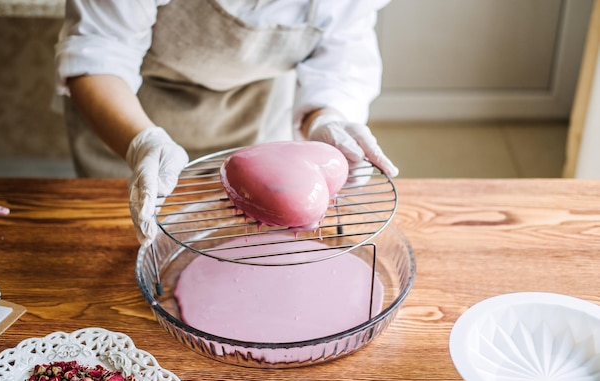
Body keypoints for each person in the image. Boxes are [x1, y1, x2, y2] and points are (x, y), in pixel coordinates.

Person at [54, 0, 399, 245]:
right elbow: (100, 48)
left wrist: (326, 116)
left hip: (258, 115)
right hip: (130, 112)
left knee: (248, 245)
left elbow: (339, 64)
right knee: (126, 243)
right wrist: (142, 142)